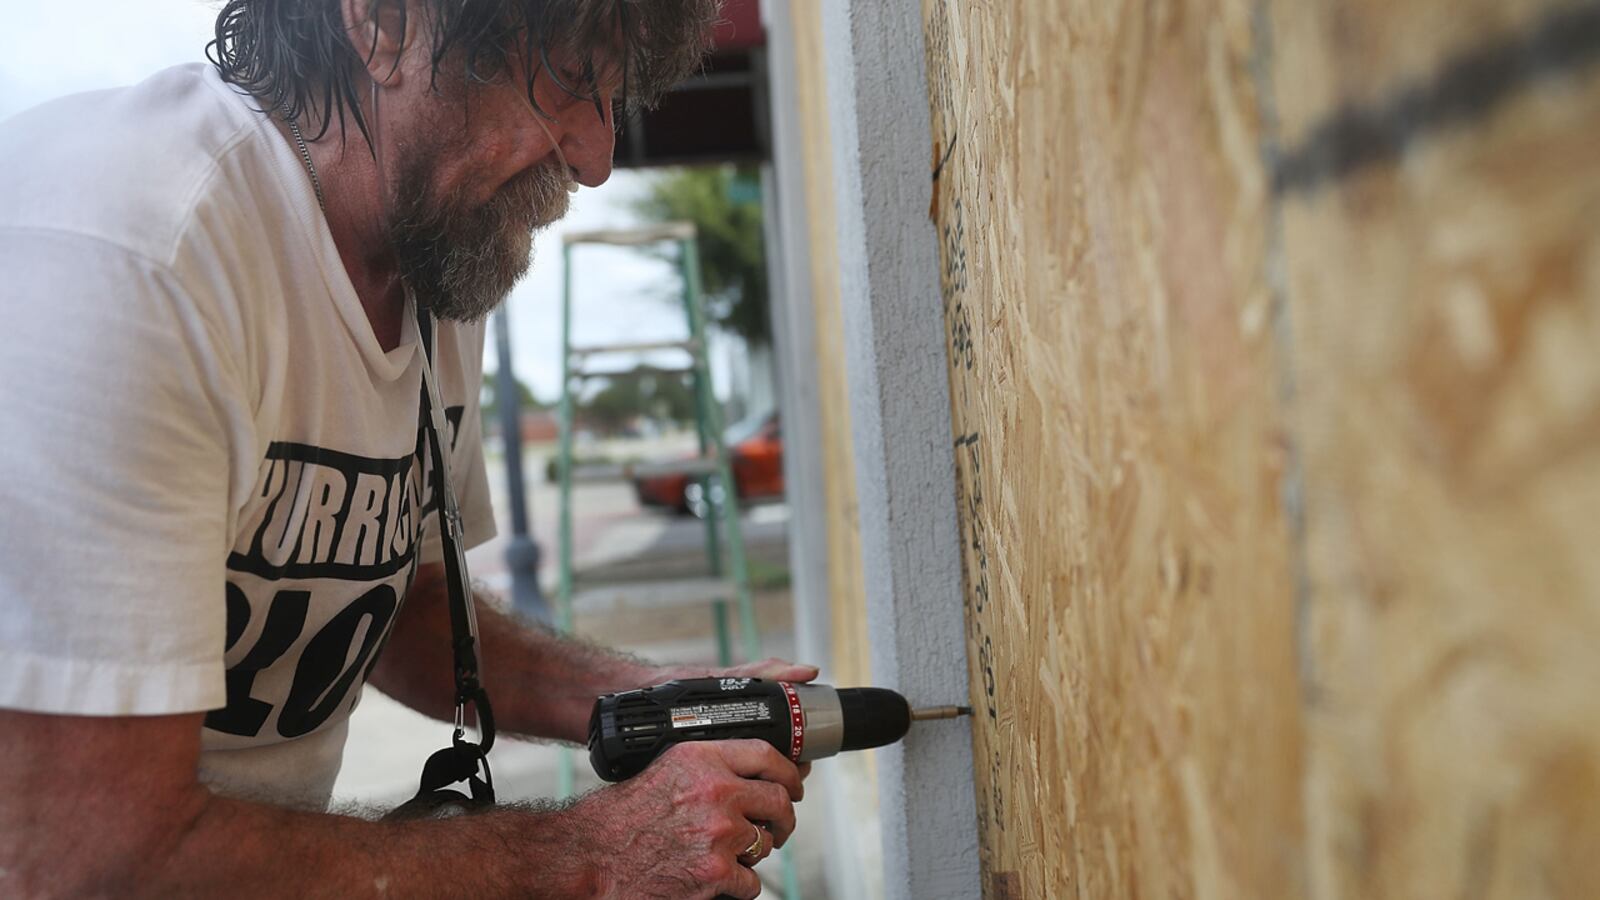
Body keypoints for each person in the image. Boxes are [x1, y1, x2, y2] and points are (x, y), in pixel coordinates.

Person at [0, 1, 813, 896]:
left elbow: (404, 605)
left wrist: (655, 699)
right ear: (384, 25)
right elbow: (90, 858)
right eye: (573, 83)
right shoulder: (133, 260)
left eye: (615, 100)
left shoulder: (435, 251)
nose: (596, 158)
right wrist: (593, 857)